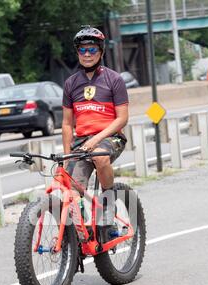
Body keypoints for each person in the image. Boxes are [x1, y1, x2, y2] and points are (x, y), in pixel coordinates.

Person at [62, 25, 129, 235]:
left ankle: (108, 205)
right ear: (77, 53)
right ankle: (78, 240)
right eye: (83, 50)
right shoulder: (71, 83)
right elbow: (66, 124)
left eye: (92, 49)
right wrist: (66, 157)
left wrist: (96, 140)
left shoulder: (114, 80)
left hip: (110, 137)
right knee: (70, 192)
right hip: (81, 142)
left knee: (100, 158)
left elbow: (122, 118)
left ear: (100, 52)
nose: (87, 54)